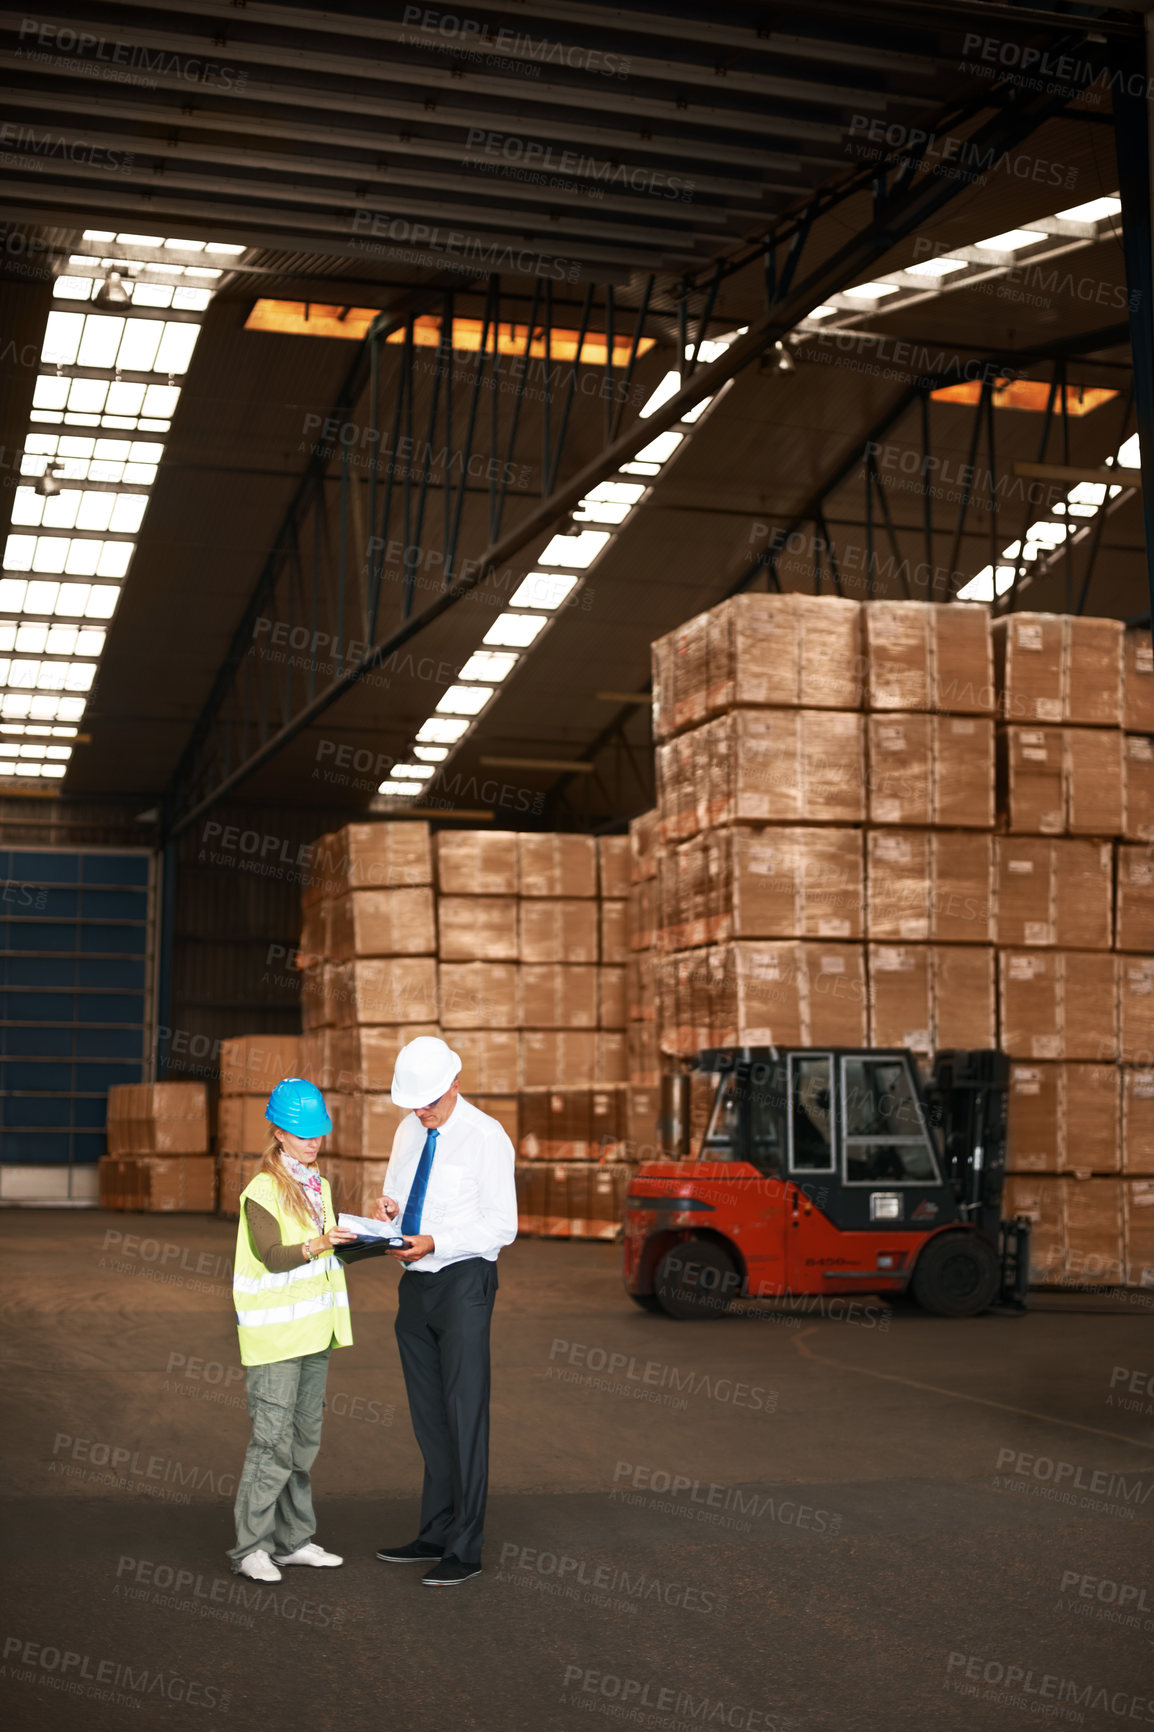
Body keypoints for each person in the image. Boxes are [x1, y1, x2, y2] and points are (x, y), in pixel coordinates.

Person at [372, 1036, 517, 1586]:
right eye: (413, 1101)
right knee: (430, 1415)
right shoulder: (409, 1129)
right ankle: (433, 1531)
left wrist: (436, 1241)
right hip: (415, 1284)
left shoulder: (486, 1138)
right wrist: (388, 1213)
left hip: (464, 1283)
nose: (421, 1110)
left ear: (457, 1082)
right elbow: (396, 1193)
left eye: (430, 1099)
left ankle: (465, 1547)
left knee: (464, 1415)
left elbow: (502, 1225)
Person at [228, 1077, 359, 1583]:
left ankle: (293, 1540)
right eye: (301, 1134)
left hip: (316, 1333)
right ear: (279, 1133)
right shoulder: (261, 1190)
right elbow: (273, 1256)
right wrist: (320, 1243)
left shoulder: (319, 1186)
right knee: (271, 1444)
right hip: (275, 1340)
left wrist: (365, 1235)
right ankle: (250, 1548)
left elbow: (326, 1255)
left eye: (316, 1133)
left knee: (303, 1443)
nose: (312, 1142)